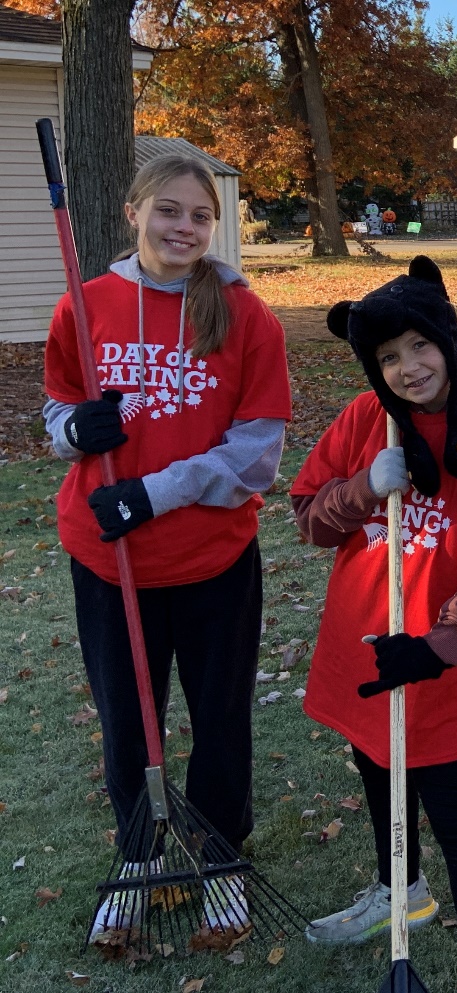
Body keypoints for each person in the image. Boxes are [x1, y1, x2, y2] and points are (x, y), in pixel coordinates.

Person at [42, 154, 291, 939]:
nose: (183, 227)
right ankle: (141, 857)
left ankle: (220, 858)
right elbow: (56, 408)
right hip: (107, 559)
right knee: (126, 718)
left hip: (210, 555)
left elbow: (257, 451)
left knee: (219, 716)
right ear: (132, 211)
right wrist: (77, 429)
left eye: (199, 216)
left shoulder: (246, 314)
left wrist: (152, 493)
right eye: (168, 210)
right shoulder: (85, 306)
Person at [293, 257, 457, 993]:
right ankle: (399, 888)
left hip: (430, 658)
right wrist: (364, 486)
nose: (407, 367)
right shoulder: (367, 418)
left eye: (419, 346)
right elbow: (307, 514)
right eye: (388, 356)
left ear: (449, 339)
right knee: (374, 762)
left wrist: (440, 645)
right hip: (360, 646)